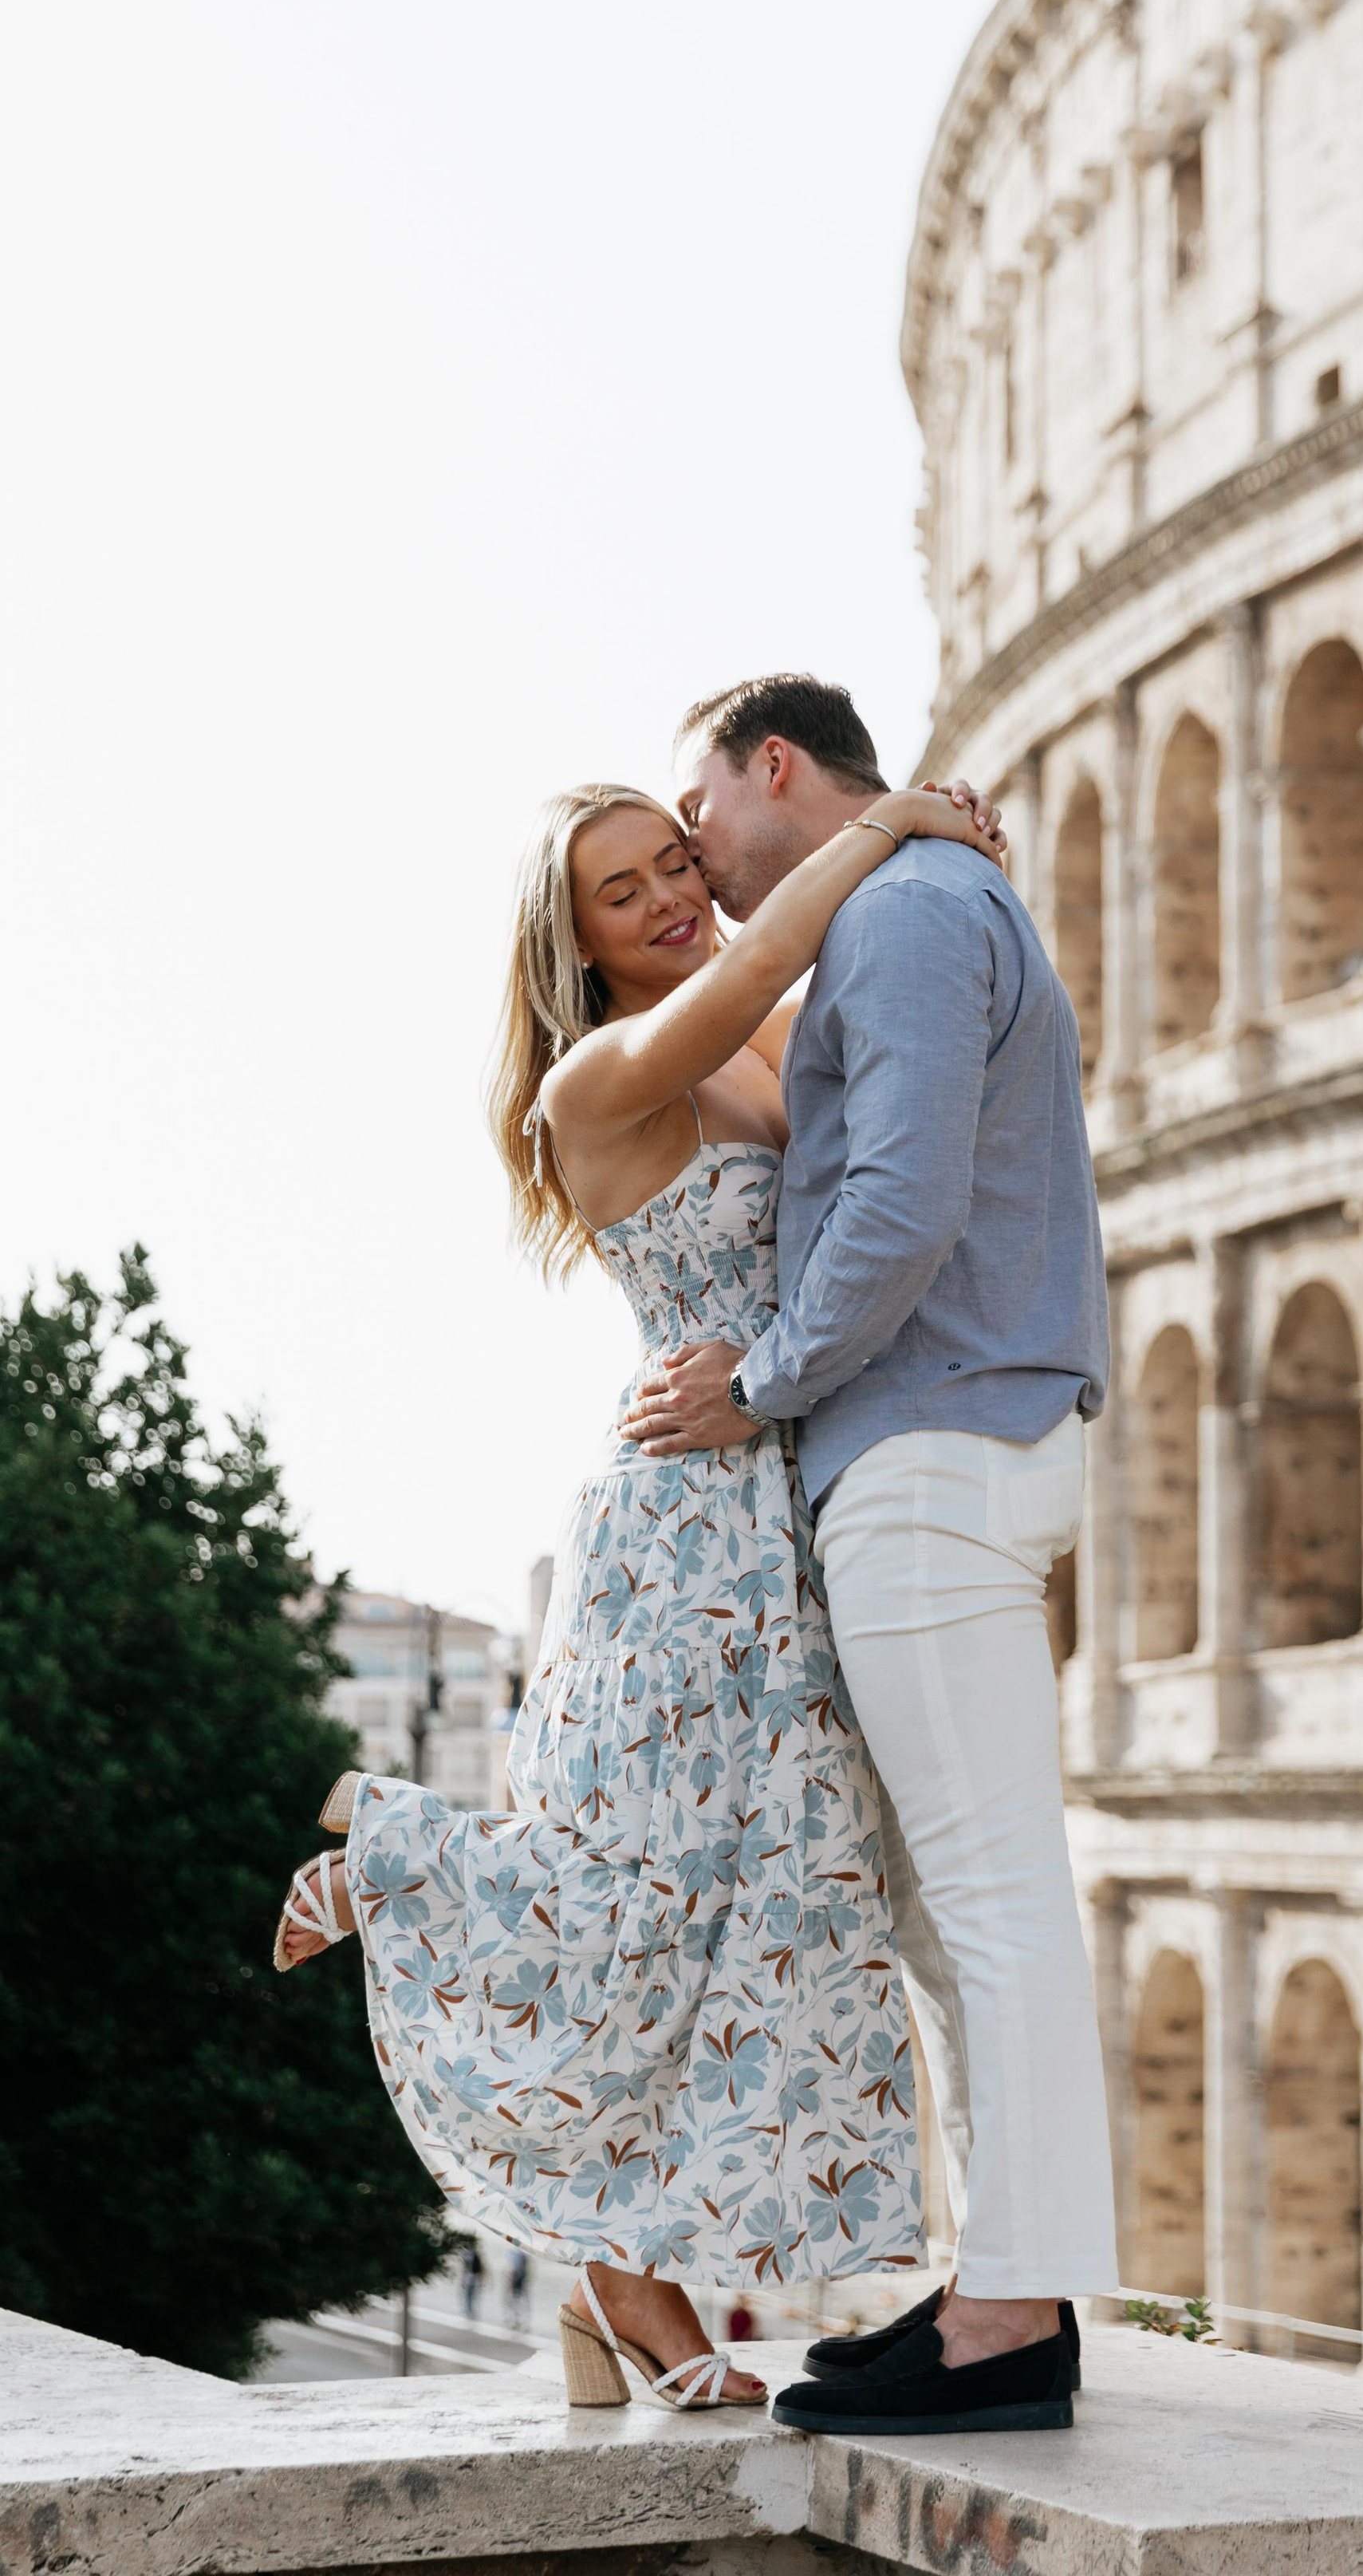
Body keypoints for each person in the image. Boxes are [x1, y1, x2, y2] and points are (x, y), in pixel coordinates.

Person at [268, 770, 1004, 2414]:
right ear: (576, 942)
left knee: (756, 1908)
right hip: (683, 1531)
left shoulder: (759, 1046)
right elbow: (771, 958)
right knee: (649, 1895)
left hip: (791, 1511)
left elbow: (889, 1055)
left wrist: (951, 876)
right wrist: (892, 826)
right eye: (626, 889)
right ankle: (408, 1863)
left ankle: (633, 2287)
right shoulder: (598, 1076)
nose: (673, 897)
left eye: (679, 863)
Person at [624, 673, 1117, 2440]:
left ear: (775, 765)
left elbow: (900, 1200)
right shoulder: (913, 898)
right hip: (954, 1438)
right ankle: (1003, 2286)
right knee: (946, 1906)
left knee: (987, 1898)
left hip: (933, 1446)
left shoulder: (906, 914)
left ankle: (1010, 2322)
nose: (695, 851)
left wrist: (755, 1384)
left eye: (699, 811)